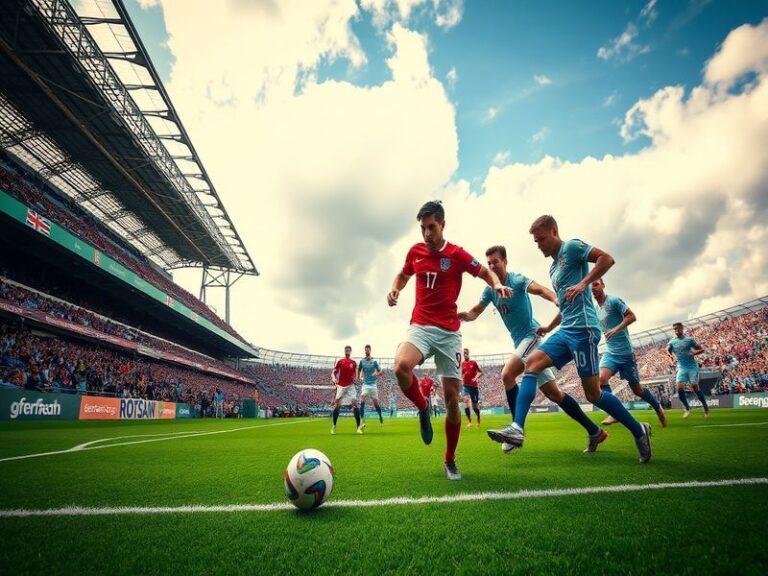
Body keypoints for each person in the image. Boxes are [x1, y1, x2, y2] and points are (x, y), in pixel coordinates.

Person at [495, 215, 651, 463]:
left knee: (593, 395)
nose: (539, 245)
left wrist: (584, 283)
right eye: (535, 242)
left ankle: (638, 430)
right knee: (531, 364)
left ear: (554, 232)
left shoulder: (572, 247)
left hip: (584, 330)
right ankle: (517, 428)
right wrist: (549, 326)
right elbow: (566, 304)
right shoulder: (553, 268)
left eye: (541, 239)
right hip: (566, 329)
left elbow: (607, 259)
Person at [387, 200, 511, 480]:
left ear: (442, 224)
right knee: (400, 367)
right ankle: (422, 408)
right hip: (421, 325)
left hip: (449, 333)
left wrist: (497, 284)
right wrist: (395, 289)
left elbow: (484, 272)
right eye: (423, 228)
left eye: (432, 227)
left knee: (452, 399)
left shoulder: (456, 254)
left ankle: (450, 460)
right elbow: (403, 275)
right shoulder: (415, 252)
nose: (427, 234)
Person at [460, 245, 608, 454]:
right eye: (489, 263)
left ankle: (515, 431)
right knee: (555, 394)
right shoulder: (490, 290)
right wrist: (464, 316)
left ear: (505, 262)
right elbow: (476, 311)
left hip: (532, 336)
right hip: (520, 342)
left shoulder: (517, 280)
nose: (492, 266)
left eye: (496, 262)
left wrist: (556, 299)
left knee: (507, 374)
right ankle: (595, 431)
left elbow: (540, 289)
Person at [591, 279, 667, 427]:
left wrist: (616, 329)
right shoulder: (595, 309)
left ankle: (657, 407)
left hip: (626, 354)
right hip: (610, 353)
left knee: (637, 390)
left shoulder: (614, 301)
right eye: (590, 286)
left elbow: (632, 316)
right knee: (600, 380)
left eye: (596, 284)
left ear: (603, 285)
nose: (593, 288)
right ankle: (615, 413)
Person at [667, 322, 709, 418]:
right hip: (681, 367)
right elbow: (668, 351)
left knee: (695, 387)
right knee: (679, 388)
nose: (676, 330)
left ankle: (705, 407)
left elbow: (702, 349)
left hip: (692, 367)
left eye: (678, 328)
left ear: (682, 328)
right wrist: (671, 358)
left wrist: (693, 353)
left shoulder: (689, 340)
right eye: (675, 329)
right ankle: (687, 408)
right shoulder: (672, 342)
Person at [331, 345, 361, 434]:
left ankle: (358, 428)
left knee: (355, 404)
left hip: (350, 386)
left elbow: (357, 374)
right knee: (337, 405)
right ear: (344, 351)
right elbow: (334, 372)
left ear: (350, 352)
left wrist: (357, 379)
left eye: (348, 350)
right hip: (341, 386)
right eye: (346, 350)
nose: (347, 351)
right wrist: (334, 379)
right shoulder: (340, 362)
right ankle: (333, 426)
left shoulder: (353, 363)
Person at [357, 344, 383, 427]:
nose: (366, 351)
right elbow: (359, 369)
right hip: (365, 385)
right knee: (362, 398)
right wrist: (358, 377)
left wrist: (377, 373)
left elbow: (380, 371)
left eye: (368, 349)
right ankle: (362, 419)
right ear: (364, 351)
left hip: (373, 385)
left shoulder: (374, 361)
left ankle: (380, 415)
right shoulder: (362, 361)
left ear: (370, 350)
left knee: (376, 404)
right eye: (365, 350)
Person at [460, 349, 483, 427]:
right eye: (464, 354)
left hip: (474, 386)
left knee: (474, 407)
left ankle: (478, 418)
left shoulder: (473, 362)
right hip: (466, 386)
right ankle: (469, 422)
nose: (465, 355)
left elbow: (480, 372)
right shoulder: (462, 364)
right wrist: (461, 378)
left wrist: (476, 377)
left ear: (468, 354)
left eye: (466, 353)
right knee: (466, 401)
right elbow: (462, 374)